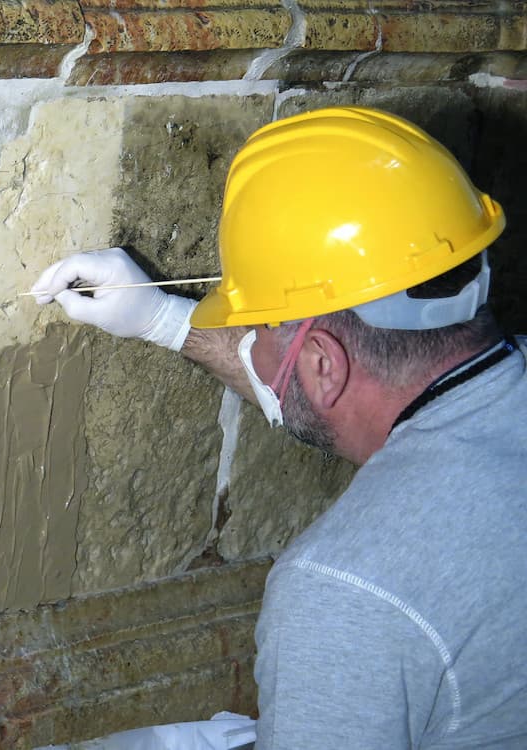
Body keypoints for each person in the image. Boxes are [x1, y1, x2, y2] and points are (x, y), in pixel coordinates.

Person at [31, 107, 527, 749]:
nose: (249, 346)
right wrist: (166, 321)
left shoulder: (345, 595)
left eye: (258, 328)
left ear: (323, 363)